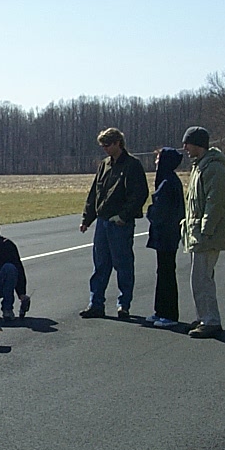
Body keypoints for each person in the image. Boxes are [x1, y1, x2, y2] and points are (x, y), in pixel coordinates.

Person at [79, 127, 149, 319]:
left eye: (108, 145)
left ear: (118, 143)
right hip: (102, 222)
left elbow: (139, 194)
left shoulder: (132, 165)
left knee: (123, 264)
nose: (105, 149)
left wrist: (123, 216)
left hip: (120, 223)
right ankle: (96, 304)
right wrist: (87, 218)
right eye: (102, 146)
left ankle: (123, 304)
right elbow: (95, 193)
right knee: (100, 265)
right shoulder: (104, 165)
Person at [181, 126, 225, 338]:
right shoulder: (199, 167)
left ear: (198, 144)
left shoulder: (213, 168)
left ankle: (211, 320)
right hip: (197, 234)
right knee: (198, 279)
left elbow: (216, 201)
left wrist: (206, 229)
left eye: (187, 143)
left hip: (206, 235)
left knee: (203, 279)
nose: (184, 148)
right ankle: (203, 316)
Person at [145, 147, 185, 328]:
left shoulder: (168, 183)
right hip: (166, 234)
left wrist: (150, 212)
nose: (155, 163)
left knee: (167, 273)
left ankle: (169, 314)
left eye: (158, 159)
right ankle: (160, 311)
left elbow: (159, 210)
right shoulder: (169, 181)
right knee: (162, 272)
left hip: (167, 234)